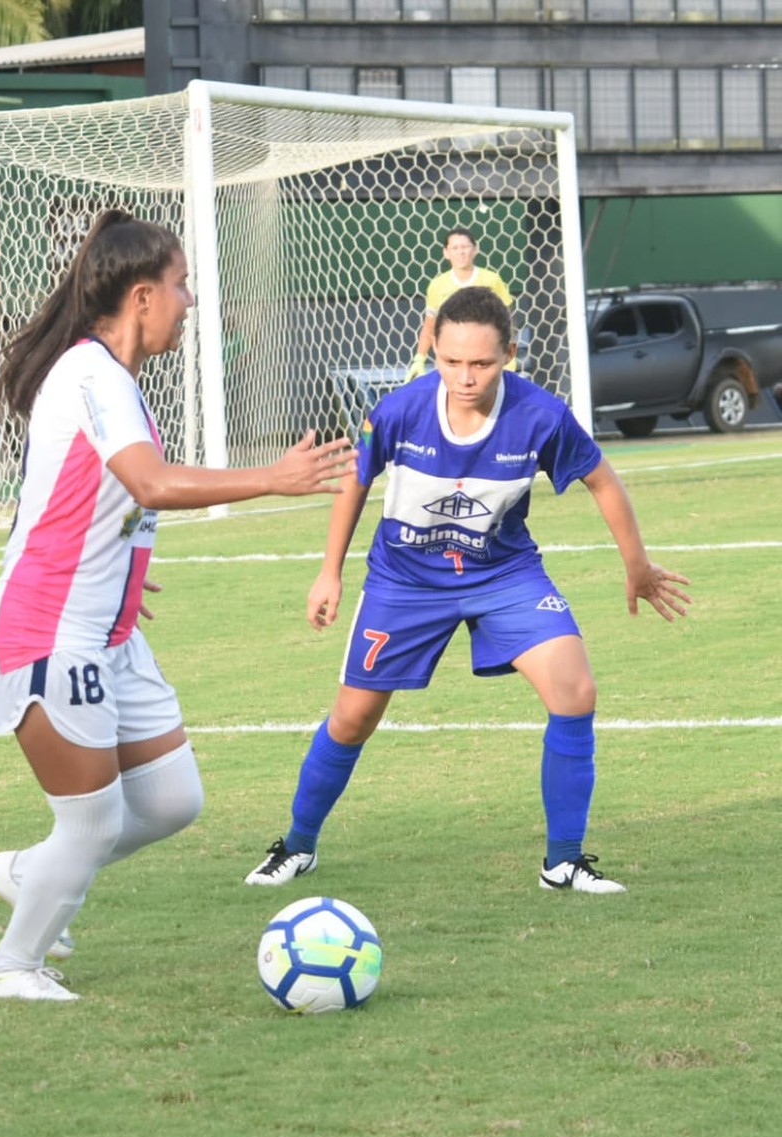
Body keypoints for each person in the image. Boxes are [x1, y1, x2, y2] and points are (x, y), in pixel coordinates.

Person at [0, 209, 354, 1002]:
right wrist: (271, 478)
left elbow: (86, 500)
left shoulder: (111, 382)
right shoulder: (92, 375)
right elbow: (148, 482)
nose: (190, 301)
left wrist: (113, 568)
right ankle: (12, 967)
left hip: (104, 631)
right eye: (181, 286)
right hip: (51, 631)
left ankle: (31, 874)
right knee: (93, 822)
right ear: (142, 296)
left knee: (173, 799)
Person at [245, 286, 692, 895]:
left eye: (480, 363)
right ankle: (296, 845)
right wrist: (331, 571)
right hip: (406, 580)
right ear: (433, 348)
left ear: (508, 353)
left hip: (503, 574)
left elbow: (602, 480)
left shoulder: (540, 415)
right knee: (352, 718)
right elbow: (355, 480)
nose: (464, 376)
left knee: (575, 689)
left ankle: (564, 862)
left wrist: (637, 564)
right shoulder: (399, 410)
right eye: (450, 361)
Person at [407, 226, 513, 380]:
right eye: (455, 248)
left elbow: (507, 319)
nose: (461, 252)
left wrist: (506, 349)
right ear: (446, 253)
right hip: (454, 357)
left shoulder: (492, 280)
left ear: (475, 249)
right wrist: (419, 358)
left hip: (485, 356)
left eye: (465, 247)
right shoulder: (437, 285)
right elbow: (430, 325)